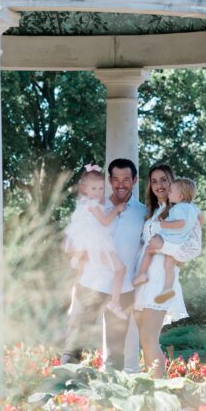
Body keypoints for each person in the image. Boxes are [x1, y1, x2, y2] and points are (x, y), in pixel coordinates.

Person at [60, 158, 146, 368]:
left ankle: (108, 398)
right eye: (115, 179)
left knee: (116, 355)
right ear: (109, 180)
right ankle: (61, 394)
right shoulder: (95, 205)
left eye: (126, 179)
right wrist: (81, 252)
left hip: (123, 290)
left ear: (135, 180)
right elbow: (69, 242)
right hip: (90, 285)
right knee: (73, 347)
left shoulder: (143, 213)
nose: (121, 184)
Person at [133, 163, 189, 376]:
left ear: (172, 181)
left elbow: (187, 249)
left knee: (149, 337)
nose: (159, 185)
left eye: (164, 179)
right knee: (144, 340)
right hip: (143, 276)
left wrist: (163, 246)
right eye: (154, 181)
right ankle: (152, 387)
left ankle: (161, 390)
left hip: (160, 279)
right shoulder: (152, 212)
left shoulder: (178, 211)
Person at [64, 164, 127, 320]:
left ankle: (73, 304)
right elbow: (105, 221)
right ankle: (115, 302)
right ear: (84, 188)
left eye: (100, 189)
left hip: (87, 243)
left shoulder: (82, 204)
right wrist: (117, 209)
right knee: (120, 269)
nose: (98, 193)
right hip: (96, 244)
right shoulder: (92, 205)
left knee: (79, 273)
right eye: (94, 189)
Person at [133, 176, 201, 304]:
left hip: (171, 240)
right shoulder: (193, 208)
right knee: (168, 266)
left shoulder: (179, 208)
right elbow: (197, 221)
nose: (168, 193)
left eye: (171, 191)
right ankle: (167, 289)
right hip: (180, 243)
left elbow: (180, 223)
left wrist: (164, 224)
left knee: (148, 249)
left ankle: (142, 274)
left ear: (180, 196)